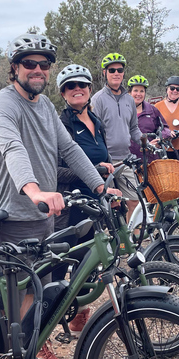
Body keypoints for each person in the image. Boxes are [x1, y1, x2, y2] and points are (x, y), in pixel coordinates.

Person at [0, 34, 109, 359]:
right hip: (16, 213)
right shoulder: (3, 104)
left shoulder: (44, 108)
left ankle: (28, 347)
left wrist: (101, 187)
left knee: (40, 286)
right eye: (30, 64)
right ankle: (13, 358)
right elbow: (12, 148)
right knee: (20, 292)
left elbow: (69, 149)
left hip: (45, 216)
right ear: (15, 68)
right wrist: (34, 190)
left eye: (44, 65)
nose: (37, 70)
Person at [54, 64, 121, 335]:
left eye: (82, 84)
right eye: (70, 86)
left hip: (94, 202)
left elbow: (103, 161)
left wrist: (108, 186)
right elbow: (55, 170)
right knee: (60, 265)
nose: (77, 89)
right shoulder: (61, 125)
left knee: (88, 261)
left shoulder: (97, 121)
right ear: (63, 93)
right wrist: (95, 172)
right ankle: (49, 323)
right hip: (69, 205)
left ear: (90, 89)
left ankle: (79, 315)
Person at [91, 53, 142, 220]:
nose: (116, 73)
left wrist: (145, 141)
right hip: (107, 161)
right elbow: (93, 131)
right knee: (112, 204)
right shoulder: (97, 99)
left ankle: (132, 244)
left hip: (125, 160)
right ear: (105, 73)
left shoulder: (129, 99)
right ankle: (114, 242)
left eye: (120, 70)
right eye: (112, 70)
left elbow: (134, 128)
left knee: (134, 200)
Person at [152, 76, 179, 177]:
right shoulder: (157, 106)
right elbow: (154, 127)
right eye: (172, 88)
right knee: (166, 176)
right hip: (165, 146)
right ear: (167, 89)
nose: (175, 91)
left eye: (178, 89)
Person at [127, 75, 173, 164]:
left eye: (142, 91)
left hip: (149, 158)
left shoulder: (152, 110)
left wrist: (160, 139)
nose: (138, 94)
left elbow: (164, 128)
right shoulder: (122, 110)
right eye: (135, 90)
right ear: (129, 92)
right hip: (128, 159)